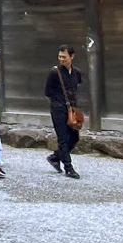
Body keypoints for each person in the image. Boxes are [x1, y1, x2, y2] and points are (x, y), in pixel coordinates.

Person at [45, 44, 84, 179]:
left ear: (71, 57)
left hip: (73, 108)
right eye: (59, 56)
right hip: (58, 108)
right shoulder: (54, 72)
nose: (61, 59)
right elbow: (47, 91)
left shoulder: (76, 72)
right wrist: (58, 101)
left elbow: (76, 88)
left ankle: (56, 157)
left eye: (64, 57)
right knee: (63, 137)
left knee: (74, 137)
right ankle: (68, 167)